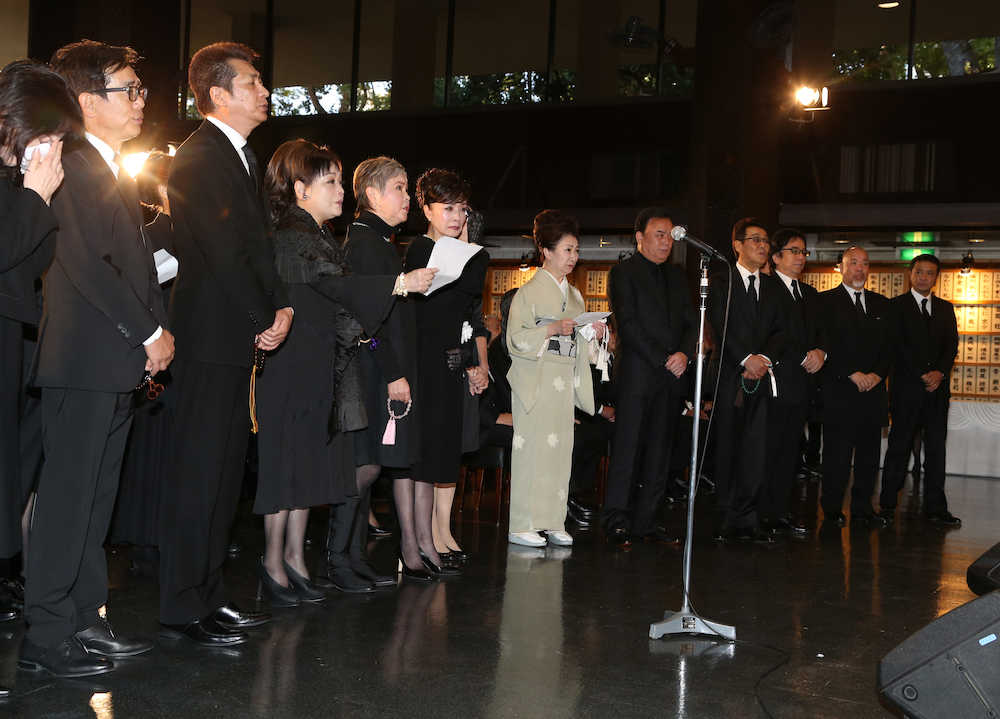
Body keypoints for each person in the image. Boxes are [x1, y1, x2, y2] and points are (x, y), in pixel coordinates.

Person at [22, 40, 171, 677]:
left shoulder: (107, 165)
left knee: (95, 499)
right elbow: (84, 264)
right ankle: (46, 635)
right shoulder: (72, 161)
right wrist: (148, 332)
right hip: (84, 357)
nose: (141, 101)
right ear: (86, 101)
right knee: (66, 500)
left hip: (110, 359)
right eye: (128, 90)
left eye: (140, 90)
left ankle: (84, 618)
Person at [257, 140, 435, 601]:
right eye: (330, 181)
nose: (341, 190)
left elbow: (342, 303)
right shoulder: (292, 233)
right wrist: (399, 283)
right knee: (287, 467)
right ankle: (274, 564)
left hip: (317, 364)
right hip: (292, 364)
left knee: (308, 467)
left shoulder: (317, 234)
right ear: (300, 189)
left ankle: (296, 560)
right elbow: (337, 287)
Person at [160, 42, 291, 647]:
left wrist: (280, 305)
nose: (264, 90)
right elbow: (220, 251)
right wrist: (263, 313)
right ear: (218, 93)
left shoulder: (239, 154)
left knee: (222, 475)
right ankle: (183, 605)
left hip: (233, 337)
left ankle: (208, 596)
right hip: (210, 336)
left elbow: (259, 249)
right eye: (253, 81)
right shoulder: (199, 158)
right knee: (200, 473)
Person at [0, 59, 80, 692]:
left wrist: (37, 196)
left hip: (18, 345)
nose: (55, 149)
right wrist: (34, 197)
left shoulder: (19, 180)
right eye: (50, 134)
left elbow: (36, 256)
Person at [344, 157, 441, 582]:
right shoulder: (365, 243)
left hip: (383, 367)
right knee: (364, 465)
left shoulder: (380, 241)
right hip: (372, 370)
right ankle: (340, 558)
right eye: (399, 188)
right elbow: (370, 322)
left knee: (373, 463)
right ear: (372, 195)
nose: (407, 197)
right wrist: (392, 373)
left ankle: (353, 560)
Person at [505, 210, 607, 548]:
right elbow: (515, 339)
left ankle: (552, 520)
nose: (573, 257)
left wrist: (591, 332)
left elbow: (579, 343)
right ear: (546, 252)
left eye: (576, 250)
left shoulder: (576, 297)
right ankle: (522, 522)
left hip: (562, 380)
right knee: (530, 451)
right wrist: (551, 328)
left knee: (561, 451)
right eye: (567, 250)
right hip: (536, 379)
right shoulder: (527, 294)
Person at [405, 169, 489, 566]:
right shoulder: (419, 250)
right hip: (423, 363)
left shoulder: (462, 252)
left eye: (462, 209)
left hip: (451, 361)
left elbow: (470, 299)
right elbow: (424, 312)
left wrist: (466, 249)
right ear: (426, 208)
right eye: (448, 208)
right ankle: (421, 542)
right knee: (426, 451)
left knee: (445, 450)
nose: (456, 217)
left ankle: (437, 534)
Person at [601, 207, 695, 547]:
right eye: (659, 234)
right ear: (639, 238)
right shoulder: (623, 273)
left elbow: (690, 322)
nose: (666, 241)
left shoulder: (678, 276)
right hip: (639, 374)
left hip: (673, 376)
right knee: (628, 448)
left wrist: (684, 353)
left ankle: (647, 521)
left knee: (660, 451)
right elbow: (628, 324)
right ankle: (616, 519)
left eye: (670, 235)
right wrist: (663, 358)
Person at [110, 150, 175, 576]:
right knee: (152, 446)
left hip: (174, 349)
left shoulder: (176, 231)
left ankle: (154, 535)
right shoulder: (153, 232)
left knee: (162, 447)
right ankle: (146, 536)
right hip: (155, 349)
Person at [707, 218, 785, 543]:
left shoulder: (772, 287)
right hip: (729, 375)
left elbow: (782, 330)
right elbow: (719, 324)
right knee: (727, 448)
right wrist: (744, 359)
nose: (762, 246)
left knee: (755, 449)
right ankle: (724, 518)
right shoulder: (720, 281)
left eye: (765, 241)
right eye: (754, 240)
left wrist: (764, 359)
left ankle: (748, 519)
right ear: (737, 245)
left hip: (762, 378)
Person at [879, 254, 959, 526]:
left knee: (936, 451)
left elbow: (951, 347)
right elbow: (895, 347)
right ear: (911, 274)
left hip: (937, 392)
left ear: (936, 277)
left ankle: (936, 508)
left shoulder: (946, 309)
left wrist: (939, 373)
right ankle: (888, 504)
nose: (924, 277)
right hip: (906, 391)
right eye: (920, 272)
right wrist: (921, 374)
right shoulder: (895, 307)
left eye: (930, 273)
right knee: (899, 448)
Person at [816, 246, 892, 528]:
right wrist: (851, 373)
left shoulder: (882, 304)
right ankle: (833, 509)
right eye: (853, 263)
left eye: (865, 264)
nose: (859, 269)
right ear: (841, 267)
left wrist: (877, 374)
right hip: (840, 390)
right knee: (836, 455)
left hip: (873, 391)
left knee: (870, 457)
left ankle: (863, 508)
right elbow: (823, 345)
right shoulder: (824, 303)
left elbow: (890, 349)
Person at [762, 228, 824, 536]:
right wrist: (802, 355)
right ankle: (763, 513)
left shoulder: (810, 294)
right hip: (775, 382)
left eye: (804, 252)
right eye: (794, 251)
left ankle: (781, 511)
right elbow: (773, 334)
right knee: (769, 450)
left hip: (802, 386)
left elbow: (822, 333)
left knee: (790, 452)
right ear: (776, 257)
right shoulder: (767, 288)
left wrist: (821, 352)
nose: (801, 257)